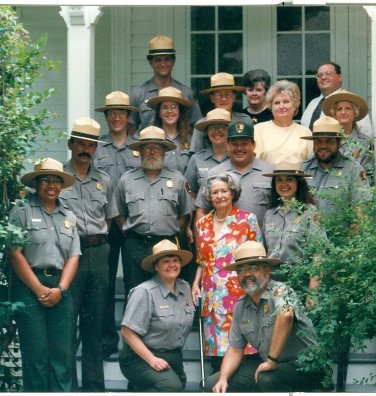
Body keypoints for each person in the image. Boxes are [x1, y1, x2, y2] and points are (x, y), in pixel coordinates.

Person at [204, 240, 326, 393]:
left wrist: (271, 360)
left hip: (305, 365)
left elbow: (286, 314)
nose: (247, 274)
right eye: (241, 270)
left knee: (266, 379)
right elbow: (235, 349)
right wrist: (223, 378)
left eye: (253, 268)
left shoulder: (282, 291)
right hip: (272, 366)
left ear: (267, 271)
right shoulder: (241, 306)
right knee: (212, 383)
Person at [8, 158, 80, 391]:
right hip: (29, 288)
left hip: (60, 288)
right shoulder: (22, 210)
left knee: (62, 358)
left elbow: (73, 256)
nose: (52, 185)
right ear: (36, 183)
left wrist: (61, 289)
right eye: (46, 179)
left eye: (57, 180)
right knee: (36, 357)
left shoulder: (69, 216)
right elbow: (15, 253)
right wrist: (39, 289)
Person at [59, 117, 119, 391]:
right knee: (67, 324)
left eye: (91, 145)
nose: (85, 149)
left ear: (96, 149)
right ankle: (68, 387)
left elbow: (108, 220)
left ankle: (94, 388)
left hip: (97, 253)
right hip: (68, 256)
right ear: (71, 144)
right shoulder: (58, 178)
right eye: (80, 143)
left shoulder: (104, 181)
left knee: (94, 324)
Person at [191, 172, 262, 372]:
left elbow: (258, 259)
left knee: (242, 351)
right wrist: (196, 283)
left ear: (232, 193)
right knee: (216, 355)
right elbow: (201, 261)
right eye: (215, 192)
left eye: (224, 191)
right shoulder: (201, 224)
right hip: (211, 298)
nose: (220, 195)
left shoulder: (247, 220)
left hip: (239, 296)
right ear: (209, 197)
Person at [114, 126, 194, 303]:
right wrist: (130, 234)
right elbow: (119, 213)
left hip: (167, 246)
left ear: (164, 151)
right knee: (135, 296)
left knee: (166, 294)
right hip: (135, 246)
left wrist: (170, 235)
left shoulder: (177, 179)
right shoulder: (126, 180)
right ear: (140, 151)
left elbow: (185, 215)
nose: (152, 152)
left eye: (157, 147)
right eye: (147, 148)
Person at [93, 91, 141, 359]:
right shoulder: (98, 147)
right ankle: (107, 338)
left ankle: (135, 340)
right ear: (106, 117)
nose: (116, 117)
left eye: (121, 113)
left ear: (128, 116)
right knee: (106, 283)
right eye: (112, 113)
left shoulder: (139, 146)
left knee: (136, 284)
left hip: (134, 224)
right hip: (106, 224)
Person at [118, 239, 194, 392]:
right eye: (166, 261)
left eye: (175, 260)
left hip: (173, 356)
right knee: (170, 387)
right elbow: (127, 332)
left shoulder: (185, 288)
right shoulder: (144, 292)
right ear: (156, 267)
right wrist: (152, 360)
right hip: (140, 357)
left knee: (179, 387)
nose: (172, 264)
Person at [194, 121, 273, 228]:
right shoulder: (214, 174)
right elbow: (202, 211)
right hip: (223, 242)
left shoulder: (270, 172)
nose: (239, 148)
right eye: (234, 144)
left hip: (260, 241)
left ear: (254, 145)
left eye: (244, 143)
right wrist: (202, 242)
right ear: (227, 146)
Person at [262, 162, 326, 292]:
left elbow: (318, 255)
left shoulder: (309, 213)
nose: (283, 184)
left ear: (299, 183)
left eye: (289, 179)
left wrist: (312, 293)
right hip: (272, 287)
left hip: (300, 285)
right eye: (279, 180)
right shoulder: (269, 214)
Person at [128, 35, 201, 134]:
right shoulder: (138, 94)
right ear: (150, 62)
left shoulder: (186, 93)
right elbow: (131, 131)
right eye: (158, 60)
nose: (163, 64)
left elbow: (197, 129)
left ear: (173, 61)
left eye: (167, 59)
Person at [301, 116, 371, 216]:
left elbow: (362, 211)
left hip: (341, 231)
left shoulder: (354, 170)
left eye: (329, 141)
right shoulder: (303, 169)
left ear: (339, 143)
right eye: (318, 141)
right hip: (308, 231)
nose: (323, 146)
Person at [301, 62, 373, 137]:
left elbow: (366, 135)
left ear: (340, 77)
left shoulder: (351, 101)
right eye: (319, 75)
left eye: (328, 73)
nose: (323, 77)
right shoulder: (312, 103)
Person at [322, 89, 375, 185]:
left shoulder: (366, 142)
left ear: (355, 113)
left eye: (348, 108)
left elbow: (369, 175)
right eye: (339, 109)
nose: (343, 112)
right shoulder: (324, 141)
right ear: (334, 114)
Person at [254, 80, 313, 164]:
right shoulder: (258, 130)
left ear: (295, 104)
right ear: (271, 106)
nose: (281, 106)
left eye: (286, 102)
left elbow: (311, 165)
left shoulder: (305, 132)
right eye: (277, 103)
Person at [190, 72, 252, 152]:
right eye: (219, 95)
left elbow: (251, 150)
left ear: (234, 97)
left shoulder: (245, 120)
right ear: (212, 98)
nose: (223, 99)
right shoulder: (202, 124)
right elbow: (195, 154)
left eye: (228, 94)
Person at [184, 108, 231, 200]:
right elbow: (190, 195)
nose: (216, 131)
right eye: (212, 127)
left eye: (222, 126)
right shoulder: (196, 159)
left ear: (229, 130)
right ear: (207, 132)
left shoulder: (237, 158)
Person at [148, 86, 193, 174]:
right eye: (164, 107)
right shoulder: (152, 139)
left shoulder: (191, 139)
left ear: (180, 111)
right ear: (159, 113)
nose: (169, 111)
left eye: (173, 107)